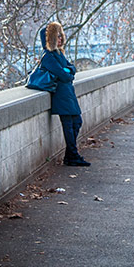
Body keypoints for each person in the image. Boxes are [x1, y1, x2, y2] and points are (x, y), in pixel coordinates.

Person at [41, 22, 90, 167]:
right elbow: (64, 75)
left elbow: (72, 68)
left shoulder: (58, 53)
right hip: (61, 96)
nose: (60, 39)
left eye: (61, 36)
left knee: (76, 123)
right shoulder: (48, 57)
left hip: (68, 93)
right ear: (50, 38)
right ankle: (72, 156)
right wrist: (68, 71)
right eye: (57, 37)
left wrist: (68, 71)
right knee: (69, 125)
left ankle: (70, 155)